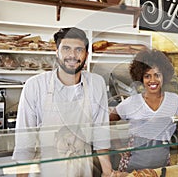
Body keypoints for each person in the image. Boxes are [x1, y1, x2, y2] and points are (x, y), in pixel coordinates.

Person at [12, 27, 114, 177]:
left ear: (86, 54)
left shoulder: (96, 83)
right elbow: (24, 141)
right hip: (46, 170)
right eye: (66, 48)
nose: (72, 55)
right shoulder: (35, 85)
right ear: (57, 52)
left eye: (79, 49)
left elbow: (101, 135)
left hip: (82, 170)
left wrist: (107, 173)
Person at [110, 49, 178, 172]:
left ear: (164, 76)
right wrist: (118, 146)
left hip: (161, 165)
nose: (153, 80)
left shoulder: (174, 100)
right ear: (141, 77)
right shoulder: (132, 102)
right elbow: (108, 121)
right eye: (147, 76)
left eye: (157, 75)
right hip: (133, 168)